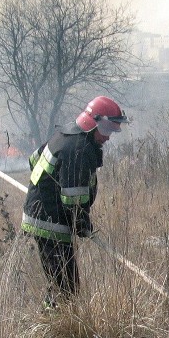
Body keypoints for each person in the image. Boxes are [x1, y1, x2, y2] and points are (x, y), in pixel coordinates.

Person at [20, 96, 128, 308]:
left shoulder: (64, 133)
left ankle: (52, 324)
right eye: (106, 130)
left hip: (43, 215)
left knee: (61, 284)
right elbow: (73, 199)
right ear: (92, 122)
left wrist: (45, 188)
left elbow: (34, 160)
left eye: (112, 131)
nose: (107, 138)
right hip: (51, 223)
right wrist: (82, 224)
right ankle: (53, 333)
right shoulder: (78, 150)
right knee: (65, 290)